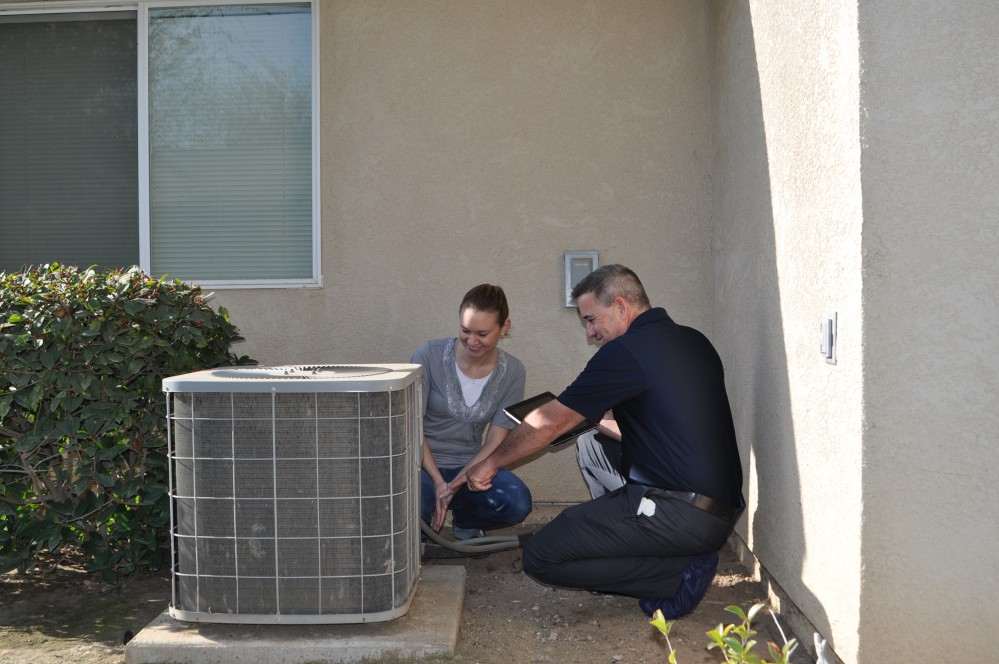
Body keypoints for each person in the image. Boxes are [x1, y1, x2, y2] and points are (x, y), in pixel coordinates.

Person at [466, 265, 743, 618]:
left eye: (592, 320)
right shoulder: (694, 340)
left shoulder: (625, 352)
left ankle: (676, 574)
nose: (591, 332)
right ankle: (658, 550)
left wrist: (489, 463)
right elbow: (668, 424)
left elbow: (549, 422)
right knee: (594, 443)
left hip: (679, 515)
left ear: (622, 307)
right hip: (719, 510)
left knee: (541, 555)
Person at [411, 284, 532, 540]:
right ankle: (422, 525)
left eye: (482, 333)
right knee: (411, 501)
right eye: (465, 331)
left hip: (469, 465)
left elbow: (496, 439)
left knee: (516, 501)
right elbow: (412, 427)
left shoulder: (513, 371)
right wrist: (437, 480)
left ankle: (465, 521)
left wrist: (457, 482)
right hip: (419, 464)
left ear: (504, 327)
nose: (472, 341)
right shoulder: (428, 355)